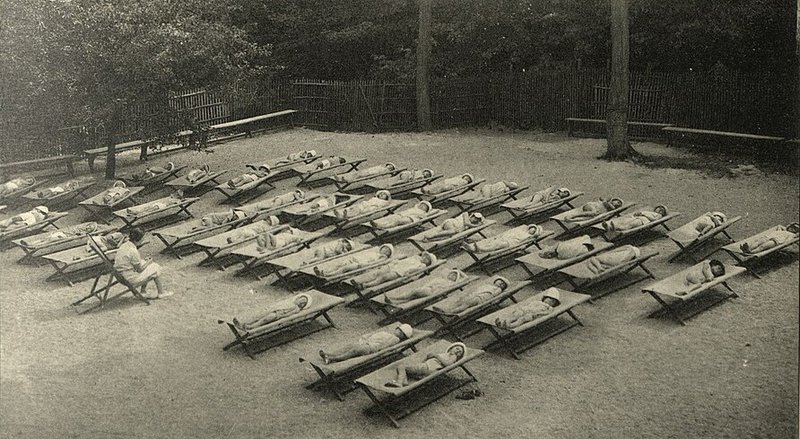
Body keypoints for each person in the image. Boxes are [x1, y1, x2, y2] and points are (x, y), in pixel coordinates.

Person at [113, 228, 173, 300]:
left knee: (144, 263)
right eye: (142, 239)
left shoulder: (124, 245)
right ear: (137, 240)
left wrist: (145, 262)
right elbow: (139, 270)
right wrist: (149, 262)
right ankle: (161, 293)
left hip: (119, 275)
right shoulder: (133, 251)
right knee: (155, 267)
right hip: (129, 278)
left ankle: (143, 291)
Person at [318, 324, 413, 364]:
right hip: (366, 343)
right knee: (350, 346)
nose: (398, 332)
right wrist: (363, 339)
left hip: (371, 348)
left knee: (353, 351)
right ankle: (329, 354)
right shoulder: (387, 332)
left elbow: (385, 346)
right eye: (399, 330)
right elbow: (371, 335)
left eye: (401, 333)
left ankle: (332, 359)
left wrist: (376, 350)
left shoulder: (395, 339)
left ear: (402, 337)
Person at [385, 342, 466, 388]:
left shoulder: (453, 356)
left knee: (401, 366)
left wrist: (435, 356)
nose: (458, 351)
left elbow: (448, 364)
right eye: (457, 348)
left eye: (460, 352)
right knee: (406, 369)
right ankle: (404, 381)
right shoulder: (445, 354)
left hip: (428, 368)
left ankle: (399, 382)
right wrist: (428, 358)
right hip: (427, 368)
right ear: (452, 347)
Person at [350, 252, 437, 289]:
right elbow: (403, 261)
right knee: (378, 272)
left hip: (400, 272)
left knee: (384, 277)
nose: (425, 258)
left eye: (427, 259)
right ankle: (359, 281)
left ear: (428, 262)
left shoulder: (422, 265)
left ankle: (365, 285)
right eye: (426, 256)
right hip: (395, 265)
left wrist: (409, 273)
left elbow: (414, 270)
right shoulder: (415, 257)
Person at [430, 276, 510, 315]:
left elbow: (494, 294)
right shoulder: (487, 285)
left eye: (503, 285)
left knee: (465, 305)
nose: (500, 284)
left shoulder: (498, 289)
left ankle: (450, 312)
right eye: (500, 281)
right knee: (459, 301)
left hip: (479, 298)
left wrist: (500, 289)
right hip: (473, 295)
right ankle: (446, 308)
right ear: (495, 281)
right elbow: (476, 289)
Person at [384, 269, 468, 305]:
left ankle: (396, 298)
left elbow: (466, 278)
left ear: (455, 279)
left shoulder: (452, 283)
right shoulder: (442, 279)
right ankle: (394, 302)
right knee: (412, 297)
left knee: (413, 292)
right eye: (451, 274)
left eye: (454, 276)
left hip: (431, 291)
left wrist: (459, 272)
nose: (451, 276)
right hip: (428, 290)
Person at [233, 293, 311, 330]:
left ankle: (251, 327)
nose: (302, 302)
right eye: (302, 299)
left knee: (265, 319)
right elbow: (279, 304)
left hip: (277, 314)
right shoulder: (290, 301)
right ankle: (244, 323)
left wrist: (281, 316)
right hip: (273, 309)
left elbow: (289, 314)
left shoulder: (296, 308)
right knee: (259, 315)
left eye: (304, 303)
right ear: (298, 298)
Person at [495, 288, 561, 330]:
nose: (549, 301)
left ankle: (511, 326)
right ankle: (505, 322)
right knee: (515, 315)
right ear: (544, 298)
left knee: (521, 319)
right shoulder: (538, 302)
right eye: (548, 298)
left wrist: (537, 314)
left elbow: (547, 313)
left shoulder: (549, 307)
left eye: (553, 301)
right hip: (524, 310)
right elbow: (529, 305)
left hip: (531, 314)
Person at [313, 244, 394, 277]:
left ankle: (328, 275)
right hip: (355, 259)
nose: (385, 250)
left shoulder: (383, 258)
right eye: (385, 248)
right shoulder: (374, 252)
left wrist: (364, 265)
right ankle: (324, 272)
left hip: (360, 265)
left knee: (344, 268)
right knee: (339, 265)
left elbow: (374, 264)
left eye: (387, 251)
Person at [462, 224, 543, 253]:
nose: (532, 229)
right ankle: (472, 246)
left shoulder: (528, 237)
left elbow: (523, 243)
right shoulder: (522, 229)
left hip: (510, 243)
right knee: (490, 241)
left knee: (497, 244)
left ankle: (480, 249)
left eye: (534, 230)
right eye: (533, 228)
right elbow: (511, 232)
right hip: (505, 238)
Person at [417, 212, 485, 242]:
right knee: (452, 231)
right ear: (472, 215)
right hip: (450, 223)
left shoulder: (471, 225)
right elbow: (466, 223)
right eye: (475, 217)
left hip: (452, 228)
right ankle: (430, 236)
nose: (475, 219)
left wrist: (478, 224)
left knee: (449, 235)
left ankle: (430, 238)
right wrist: (476, 225)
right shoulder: (466, 214)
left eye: (477, 219)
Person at [19, 222, 99, 247]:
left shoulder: (84, 233)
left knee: (50, 240)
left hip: (66, 237)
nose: (88, 227)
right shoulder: (80, 228)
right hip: (63, 233)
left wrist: (70, 235)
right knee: (47, 238)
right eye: (88, 226)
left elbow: (75, 237)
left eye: (90, 228)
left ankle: (35, 246)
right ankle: (31, 243)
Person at [602, 206, 668, 232]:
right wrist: (638, 213)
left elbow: (654, 219)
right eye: (660, 208)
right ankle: (609, 226)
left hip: (643, 221)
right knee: (625, 221)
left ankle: (615, 228)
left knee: (630, 224)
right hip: (637, 217)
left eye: (662, 211)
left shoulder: (658, 215)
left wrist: (643, 214)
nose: (660, 210)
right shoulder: (650, 211)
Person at [238, 190, 305, 214]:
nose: (299, 195)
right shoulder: (294, 193)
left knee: (272, 207)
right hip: (280, 200)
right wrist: (303, 200)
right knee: (273, 208)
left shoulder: (294, 198)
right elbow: (299, 200)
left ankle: (261, 207)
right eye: (299, 194)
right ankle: (260, 207)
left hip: (281, 201)